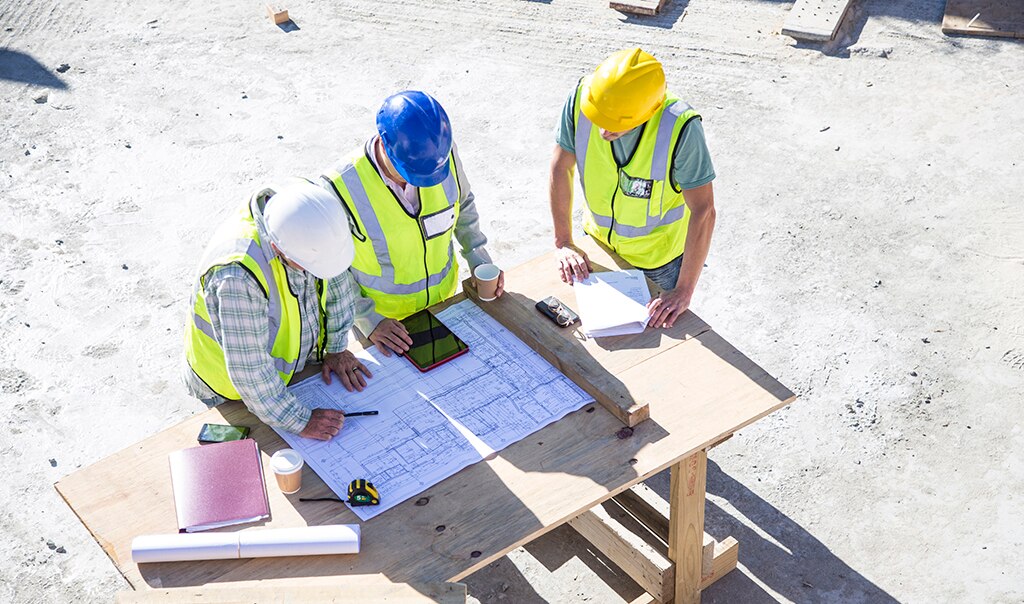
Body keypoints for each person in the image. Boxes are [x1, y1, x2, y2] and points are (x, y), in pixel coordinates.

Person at [182, 179, 373, 441]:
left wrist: (336, 348)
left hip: (287, 375)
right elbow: (250, 372)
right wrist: (301, 421)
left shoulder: (314, 219)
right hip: (230, 391)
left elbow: (336, 282)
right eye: (306, 267)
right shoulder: (237, 276)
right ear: (276, 249)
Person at [320, 91, 503, 356]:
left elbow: (462, 204)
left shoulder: (440, 156)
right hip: (384, 327)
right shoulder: (338, 187)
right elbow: (331, 272)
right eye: (414, 173)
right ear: (384, 145)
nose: (422, 182)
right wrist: (368, 320)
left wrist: (479, 259)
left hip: (444, 305)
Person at [549, 48, 717, 329]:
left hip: (659, 263)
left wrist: (683, 290)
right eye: (599, 119)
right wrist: (564, 241)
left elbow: (704, 210)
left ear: (648, 113)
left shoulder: (681, 129)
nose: (603, 132)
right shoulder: (582, 98)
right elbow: (560, 166)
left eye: (615, 126)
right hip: (598, 244)